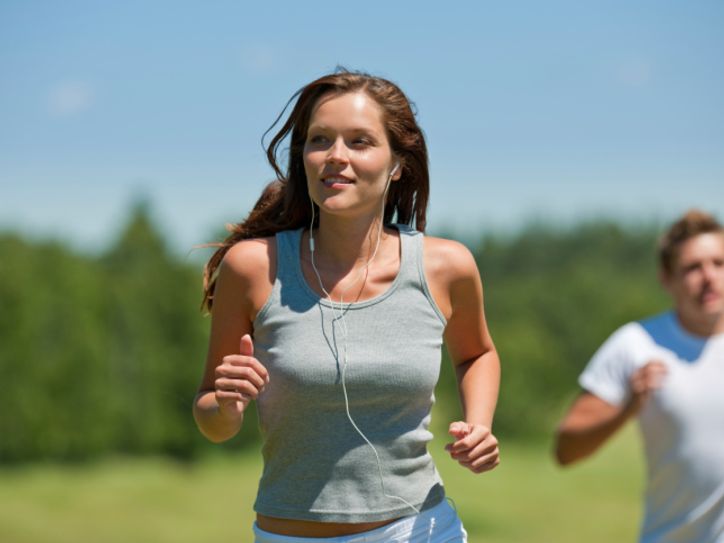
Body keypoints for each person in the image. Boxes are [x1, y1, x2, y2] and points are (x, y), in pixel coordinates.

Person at [193, 70, 501, 542]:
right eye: (320, 140)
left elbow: (476, 353)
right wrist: (227, 407)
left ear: (398, 162)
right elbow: (212, 418)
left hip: (419, 529)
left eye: (359, 142)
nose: (336, 156)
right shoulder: (253, 268)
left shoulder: (446, 267)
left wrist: (479, 425)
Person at [554, 209, 724, 543]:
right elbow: (566, 449)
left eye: (719, 263)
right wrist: (627, 408)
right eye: (693, 267)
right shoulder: (636, 344)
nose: (709, 276)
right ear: (666, 278)